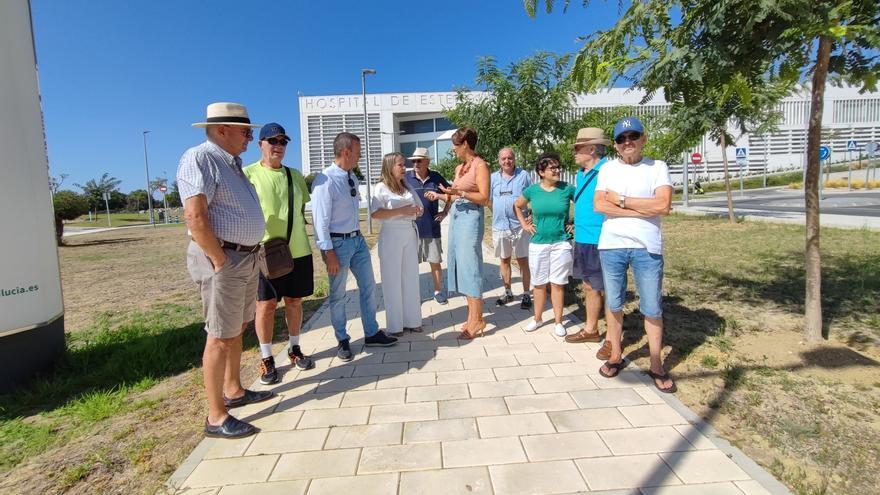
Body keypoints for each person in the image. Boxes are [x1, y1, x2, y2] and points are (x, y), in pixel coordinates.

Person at [177, 102, 274, 439]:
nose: (251, 138)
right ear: (222, 131)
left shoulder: (231, 163)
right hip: (225, 258)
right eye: (245, 131)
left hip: (244, 258)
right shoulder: (200, 158)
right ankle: (216, 416)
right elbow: (195, 216)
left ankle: (234, 390)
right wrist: (219, 260)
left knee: (237, 327)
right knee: (219, 335)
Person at [594, 117, 676, 393]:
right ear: (616, 145)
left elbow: (664, 204)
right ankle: (616, 354)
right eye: (621, 138)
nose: (627, 142)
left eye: (633, 136)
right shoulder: (606, 169)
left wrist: (621, 200)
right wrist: (645, 207)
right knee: (614, 303)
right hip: (612, 244)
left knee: (652, 306)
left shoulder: (657, 167)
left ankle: (656, 363)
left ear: (643, 139)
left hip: (647, 246)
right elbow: (598, 204)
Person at [311, 132, 398, 362]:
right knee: (338, 295)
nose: (360, 156)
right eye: (358, 152)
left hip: (357, 241)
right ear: (346, 151)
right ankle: (342, 339)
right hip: (337, 245)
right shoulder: (325, 180)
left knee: (369, 287)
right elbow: (320, 221)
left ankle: (371, 333)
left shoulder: (351, 177)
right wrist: (328, 252)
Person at [243, 123, 315, 386]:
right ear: (260, 144)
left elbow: (300, 210)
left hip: (298, 250)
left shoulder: (294, 175)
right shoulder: (248, 174)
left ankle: (294, 349)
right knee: (266, 306)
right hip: (266, 253)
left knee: (295, 302)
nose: (278, 145)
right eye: (272, 140)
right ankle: (267, 358)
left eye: (283, 141)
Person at [425, 127, 490, 339]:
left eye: (456, 144)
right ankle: (472, 317)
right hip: (457, 218)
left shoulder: (481, 166)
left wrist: (459, 192)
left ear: (466, 145)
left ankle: (478, 319)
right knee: (460, 266)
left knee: (470, 266)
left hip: (471, 219)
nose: (453, 149)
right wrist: (441, 199)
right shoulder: (459, 168)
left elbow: (483, 197)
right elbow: (453, 196)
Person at [515, 152, 575, 338]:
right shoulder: (532, 191)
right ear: (541, 172)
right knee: (539, 283)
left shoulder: (567, 189)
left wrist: (574, 222)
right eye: (552, 168)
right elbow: (517, 205)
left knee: (557, 283)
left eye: (558, 167)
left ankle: (558, 322)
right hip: (538, 244)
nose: (557, 171)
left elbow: (584, 205)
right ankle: (538, 318)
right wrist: (525, 224)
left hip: (561, 243)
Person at [566, 128, 610, 351]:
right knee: (589, 285)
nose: (574, 152)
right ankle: (591, 329)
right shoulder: (581, 174)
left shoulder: (608, 171)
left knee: (609, 288)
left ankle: (612, 338)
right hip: (582, 238)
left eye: (578, 148)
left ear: (592, 149)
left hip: (600, 238)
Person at [371, 152, 424, 336]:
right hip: (391, 234)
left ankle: (413, 320)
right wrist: (403, 210)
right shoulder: (381, 188)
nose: (404, 168)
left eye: (404, 165)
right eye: (400, 165)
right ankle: (395, 325)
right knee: (392, 280)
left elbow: (419, 207)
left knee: (410, 277)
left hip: (409, 232)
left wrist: (417, 210)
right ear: (390, 167)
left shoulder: (407, 185)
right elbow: (376, 214)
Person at [405, 147, 451, 304]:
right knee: (411, 265)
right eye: (413, 161)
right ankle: (413, 295)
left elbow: (450, 195)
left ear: (427, 162)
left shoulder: (436, 177)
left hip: (432, 228)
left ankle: (438, 291)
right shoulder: (405, 178)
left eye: (419, 160)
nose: (415, 163)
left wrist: (445, 212)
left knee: (435, 262)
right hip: (411, 229)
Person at [489, 147, 533, 309]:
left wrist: (531, 215)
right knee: (504, 260)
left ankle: (527, 293)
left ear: (514, 159)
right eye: (503, 159)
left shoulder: (523, 176)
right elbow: (488, 199)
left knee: (523, 260)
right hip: (500, 226)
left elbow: (532, 196)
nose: (507, 161)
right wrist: (497, 211)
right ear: (499, 160)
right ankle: (507, 291)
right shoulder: (493, 178)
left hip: (519, 226)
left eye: (510, 158)